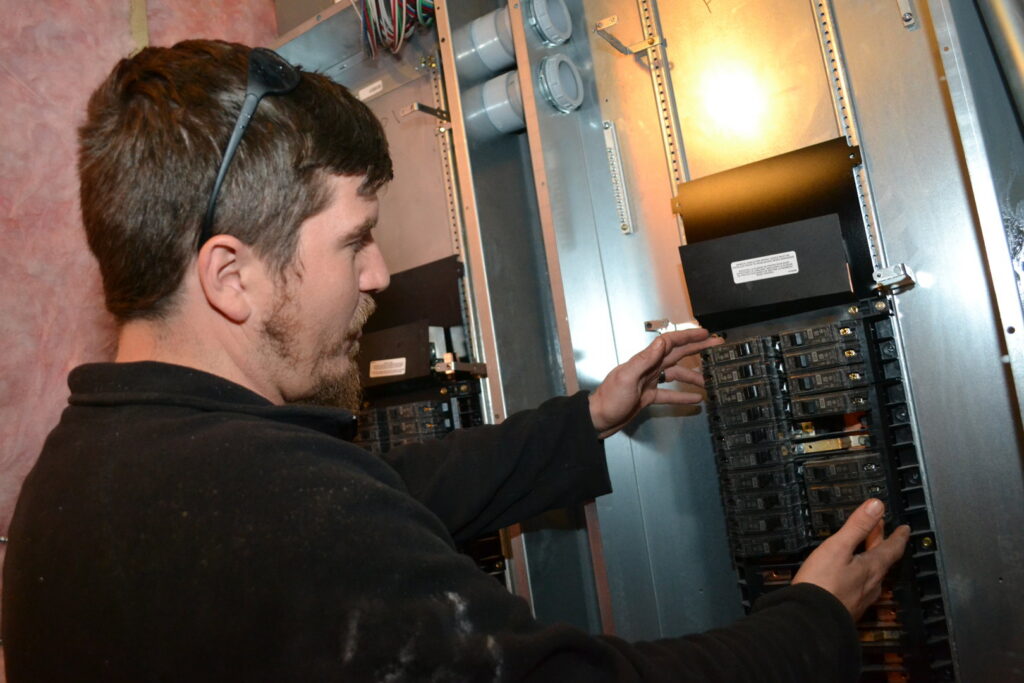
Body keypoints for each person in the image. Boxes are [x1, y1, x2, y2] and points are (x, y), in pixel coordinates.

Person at [2, 40, 909, 682]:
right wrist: (813, 622)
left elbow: (374, 489)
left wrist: (587, 417)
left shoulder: (70, 482)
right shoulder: (284, 516)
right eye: (355, 239)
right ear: (230, 276)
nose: (379, 273)